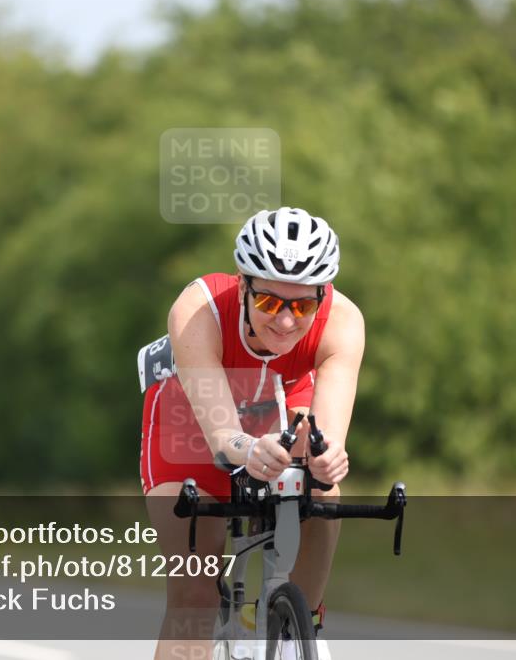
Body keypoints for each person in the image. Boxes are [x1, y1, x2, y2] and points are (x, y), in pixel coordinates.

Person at [138, 207, 365, 660]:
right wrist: (246, 447)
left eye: (302, 306)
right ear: (243, 286)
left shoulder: (342, 320)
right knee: (194, 596)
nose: (284, 322)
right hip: (192, 419)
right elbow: (223, 436)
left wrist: (327, 459)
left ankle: (303, 623)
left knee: (323, 488)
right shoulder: (197, 309)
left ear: (323, 295)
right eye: (267, 303)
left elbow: (329, 432)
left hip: (281, 398)